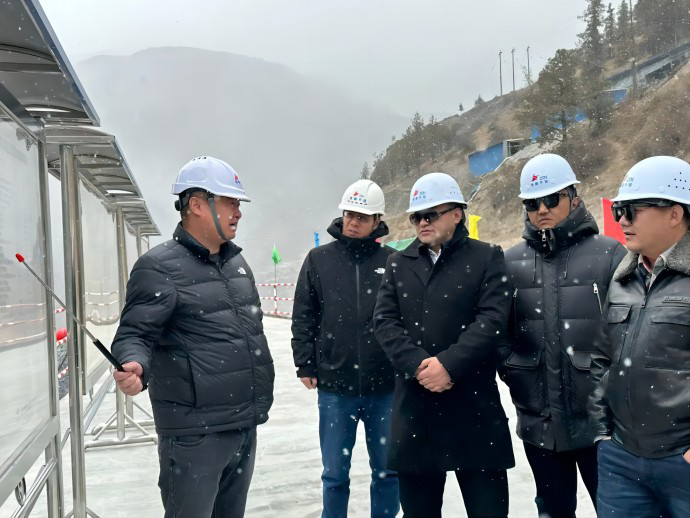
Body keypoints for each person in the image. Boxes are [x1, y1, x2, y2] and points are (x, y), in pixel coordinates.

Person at [111, 156, 275, 518]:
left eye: (238, 204)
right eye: (230, 202)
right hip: (194, 436)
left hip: (242, 424)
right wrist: (134, 362)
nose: (238, 212)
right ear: (198, 204)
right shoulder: (158, 267)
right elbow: (135, 332)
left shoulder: (237, 264)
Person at [373, 172, 514, 518]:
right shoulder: (398, 263)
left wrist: (449, 365)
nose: (422, 222)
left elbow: (493, 320)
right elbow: (384, 323)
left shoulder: (486, 257)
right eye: (416, 216)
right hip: (417, 410)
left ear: (456, 214)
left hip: (473, 407)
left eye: (431, 214)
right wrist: (420, 366)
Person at [500, 153, 626, 518]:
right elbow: (497, 333)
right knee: (553, 511)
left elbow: (629, 331)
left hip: (602, 423)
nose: (542, 209)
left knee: (614, 510)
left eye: (551, 199)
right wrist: (516, 370)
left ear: (573, 197)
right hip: (540, 424)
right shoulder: (509, 263)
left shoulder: (609, 254)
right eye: (532, 203)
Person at [291, 179, 399, 518]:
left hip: (386, 387)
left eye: (362, 217)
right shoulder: (319, 259)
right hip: (336, 387)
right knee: (335, 475)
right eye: (349, 214)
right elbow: (304, 314)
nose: (353, 222)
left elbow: (407, 320)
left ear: (377, 220)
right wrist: (305, 363)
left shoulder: (393, 261)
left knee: (389, 471)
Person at [590, 155, 690, 518]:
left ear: (674, 213)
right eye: (619, 211)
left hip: (682, 462)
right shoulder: (623, 280)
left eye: (632, 211)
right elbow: (601, 360)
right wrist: (603, 433)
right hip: (621, 460)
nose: (622, 221)